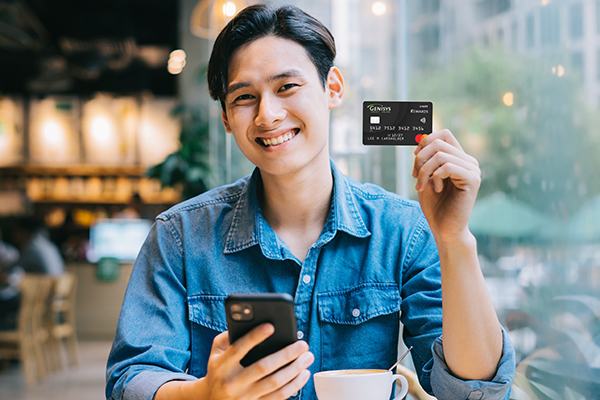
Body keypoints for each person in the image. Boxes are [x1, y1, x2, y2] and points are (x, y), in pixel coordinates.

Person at [106, 4, 516, 400]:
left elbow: (472, 392)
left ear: (332, 87)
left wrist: (455, 238)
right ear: (228, 119)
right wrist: (204, 395)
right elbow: (131, 379)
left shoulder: (402, 231)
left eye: (287, 87)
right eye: (245, 98)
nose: (267, 115)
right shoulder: (179, 236)